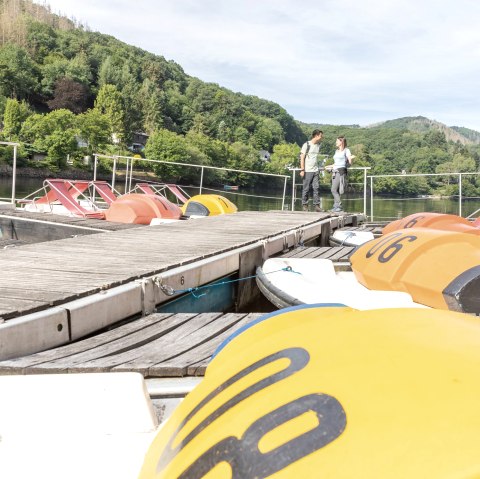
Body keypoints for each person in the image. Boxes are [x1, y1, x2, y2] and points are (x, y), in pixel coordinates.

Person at [328, 136, 354, 212]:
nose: (336, 142)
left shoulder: (346, 150)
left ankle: (339, 205)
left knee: (333, 190)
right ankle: (336, 207)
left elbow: (349, 161)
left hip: (340, 171)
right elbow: (335, 163)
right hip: (334, 171)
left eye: (337, 141)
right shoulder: (336, 151)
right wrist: (328, 166)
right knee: (336, 189)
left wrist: (349, 162)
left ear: (341, 142)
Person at [299, 129, 324, 212]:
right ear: (316, 136)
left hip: (315, 170)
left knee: (316, 188)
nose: (321, 137)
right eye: (321, 136)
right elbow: (302, 157)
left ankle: (317, 206)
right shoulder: (306, 145)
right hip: (307, 170)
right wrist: (302, 169)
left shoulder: (318, 145)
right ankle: (305, 205)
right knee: (306, 188)